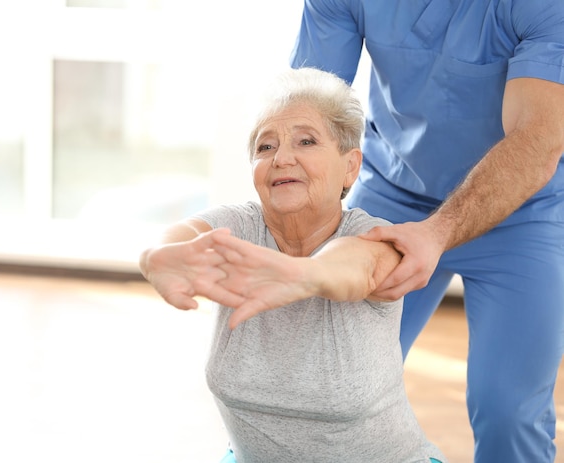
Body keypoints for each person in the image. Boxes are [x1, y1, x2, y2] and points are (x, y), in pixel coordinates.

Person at [289, 1, 564, 462]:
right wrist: (282, 245)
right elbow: (308, 115)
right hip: (391, 192)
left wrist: (437, 233)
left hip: (524, 210)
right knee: (327, 383)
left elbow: (538, 138)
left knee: (507, 410)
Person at [139, 67, 446, 463]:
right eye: (265, 147)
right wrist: (157, 258)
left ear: (350, 167)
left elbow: (361, 266)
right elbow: (174, 236)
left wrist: (302, 275)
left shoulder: (372, 235)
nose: (282, 158)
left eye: (306, 141)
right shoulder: (238, 227)